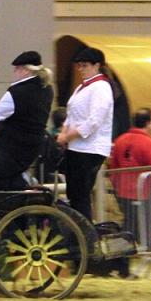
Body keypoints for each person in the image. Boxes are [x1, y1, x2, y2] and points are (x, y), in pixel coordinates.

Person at [0, 51, 54, 190]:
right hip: (33, 147)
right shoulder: (47, 88)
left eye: (16, 69)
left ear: (25, 70)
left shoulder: (17, 91)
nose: (14, 72)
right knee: (5, 174)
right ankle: (19, 190)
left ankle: (24, 188)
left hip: (12, 148)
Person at [56, 46, 114, 221]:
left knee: (80, 195)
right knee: (75, 195)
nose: (81, 69)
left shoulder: (101, 87)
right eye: (79, 66)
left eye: (85, 65)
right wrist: (64, 132)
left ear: (97, 65)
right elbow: (71, 114)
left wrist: (67, 136)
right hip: (77, 147)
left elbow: (94, 121)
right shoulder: (82, 87)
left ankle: (84, 233)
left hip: (90, 148)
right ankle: (78, 230)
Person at [108, 107, 151, 239]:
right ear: (148, 123)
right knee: (144, 228)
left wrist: (116, 185)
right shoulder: (150, 144)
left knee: (128, 224)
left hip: (122, 191)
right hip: (143, 192)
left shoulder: (120, 140)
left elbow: (113, 166)